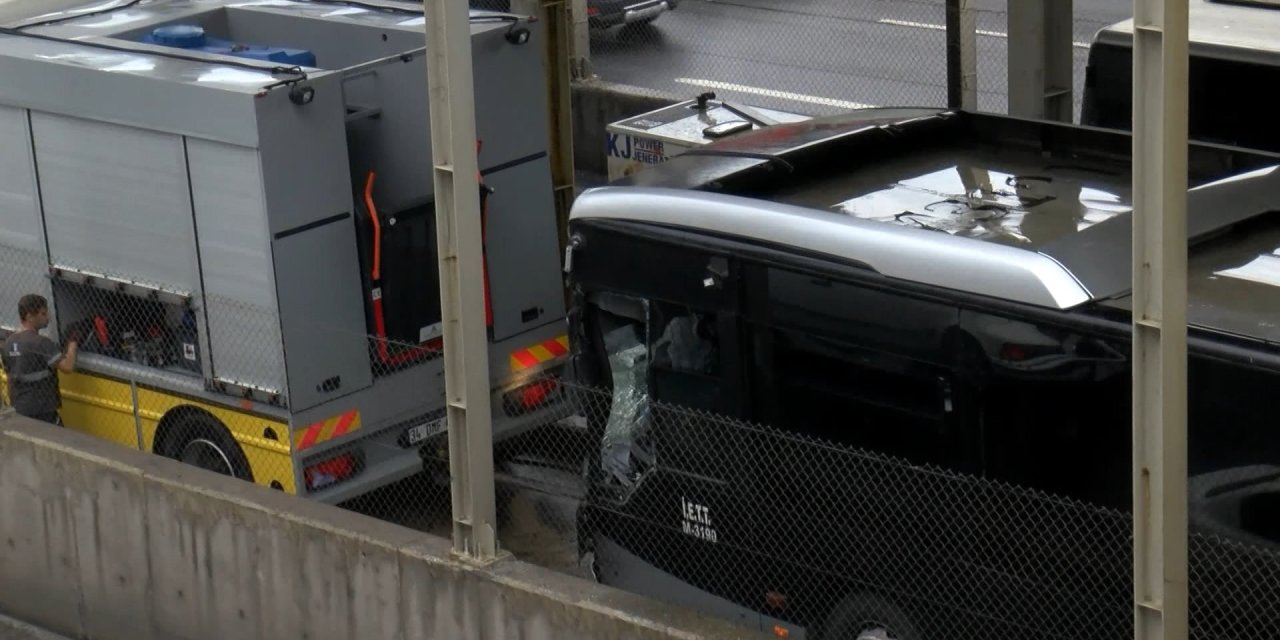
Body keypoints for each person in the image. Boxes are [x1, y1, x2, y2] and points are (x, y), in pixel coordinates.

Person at [2, 294, 78, 425]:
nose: (47, 317)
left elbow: (10, 380)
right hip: (43, 409)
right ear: (29, 316)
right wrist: (72, 345)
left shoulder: (8, 343)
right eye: (43, 314)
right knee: (56, 435)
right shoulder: (41, 343)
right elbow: (67, 367)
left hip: (20, 408)